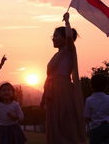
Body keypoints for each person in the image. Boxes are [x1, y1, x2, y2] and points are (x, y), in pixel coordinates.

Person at [41, 12, 86, 144]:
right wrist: (44, 96)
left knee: (64, 122)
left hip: (63, 90)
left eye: (56, 36)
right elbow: (49, 77)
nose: (53, 38)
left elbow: (70, 38)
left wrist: (67, 21)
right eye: (53, 36)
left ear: (64, 37)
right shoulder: (57, 55)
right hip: (52, 92)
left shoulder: (69, 50)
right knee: (54, 122)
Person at [84, 73, 109, 144]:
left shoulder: (89, 100)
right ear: (106, 86)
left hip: (95, 128)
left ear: (91, 86)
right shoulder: (108, 98)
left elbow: (87, 117)